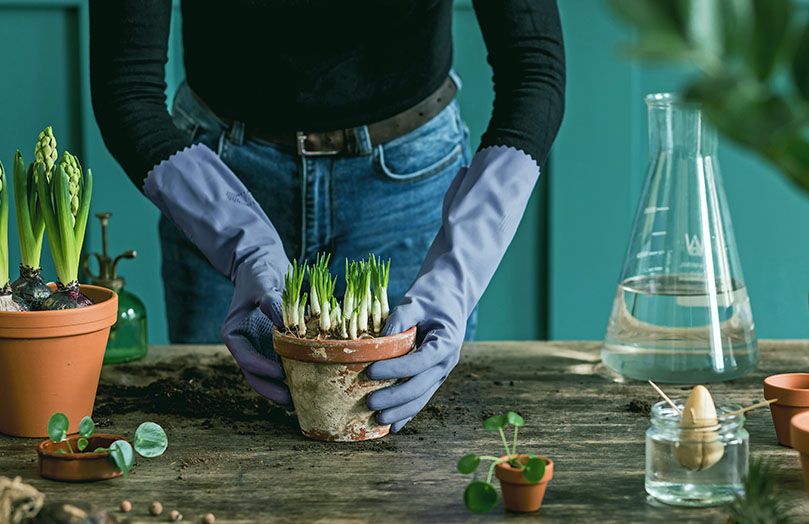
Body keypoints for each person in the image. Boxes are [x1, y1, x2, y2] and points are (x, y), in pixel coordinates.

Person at [89, 1, 565, 432]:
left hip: (406, 180)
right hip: (217, 174)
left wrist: (459, 271)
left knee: (407, 468)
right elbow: (126, 84)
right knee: (214, 434)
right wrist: (242, 243)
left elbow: (534, 65)